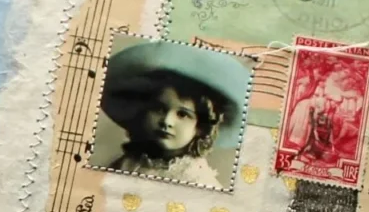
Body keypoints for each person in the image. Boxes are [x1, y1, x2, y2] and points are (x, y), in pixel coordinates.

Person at [94, 40, 251, 189]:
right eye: (159, 109)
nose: (167, 121)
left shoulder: (195, 178)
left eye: (182, 114)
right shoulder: (130, 161)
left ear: (201, 127)